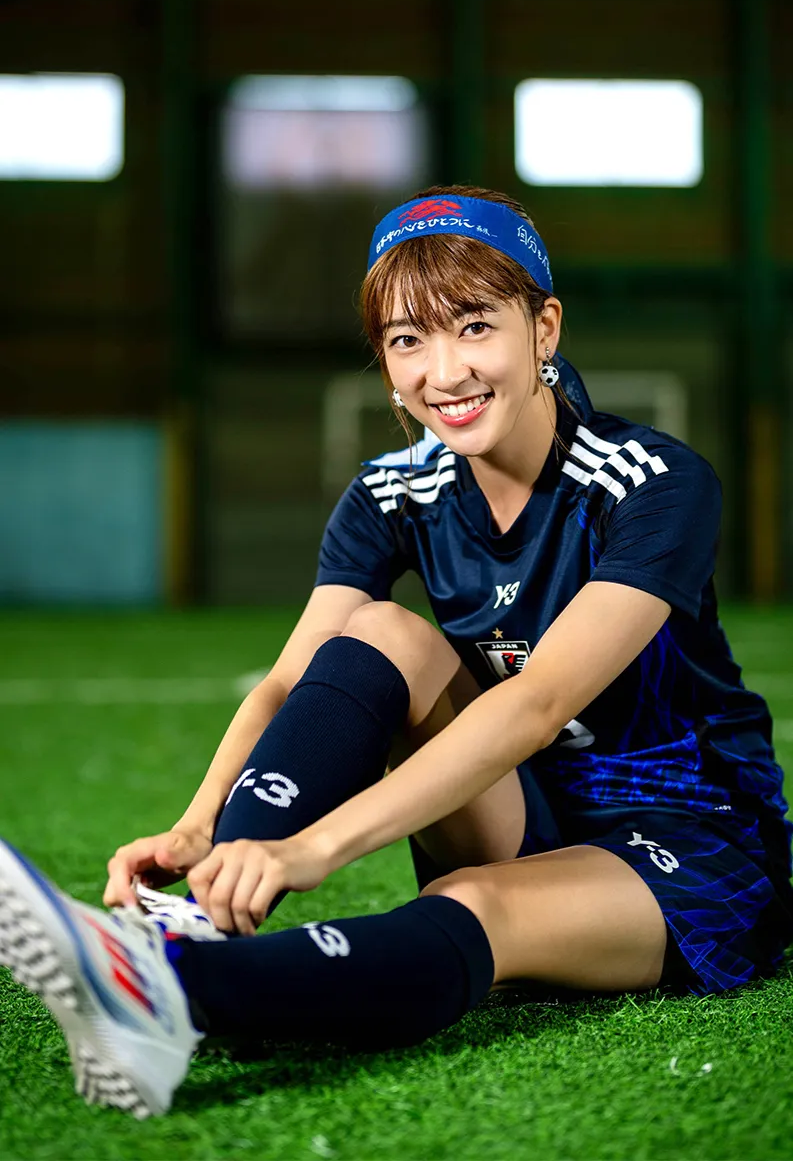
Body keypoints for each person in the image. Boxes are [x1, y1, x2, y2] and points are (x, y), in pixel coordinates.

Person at [1, 186, 791, 1119]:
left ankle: (173, 995)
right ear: (383, 362)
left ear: (543, 329)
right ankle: (201, 923)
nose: (443, 372)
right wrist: (201, 828)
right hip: (523, 807)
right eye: (407, 339)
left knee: (476, 903)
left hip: (694, 837)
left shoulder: (652, 484)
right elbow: (290, 684)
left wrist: (316, 847)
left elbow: (536, 704)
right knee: (378, 630)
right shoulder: (393, 490)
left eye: (474, 326)